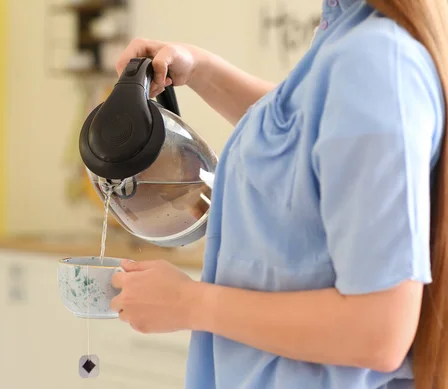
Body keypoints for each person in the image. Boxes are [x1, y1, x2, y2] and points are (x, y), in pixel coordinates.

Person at [109, 0, 448, 388]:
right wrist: (201, 70)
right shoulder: (346, 39)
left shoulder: (375, 60)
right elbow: (297, 133)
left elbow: (378, 331)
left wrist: (188, 303)